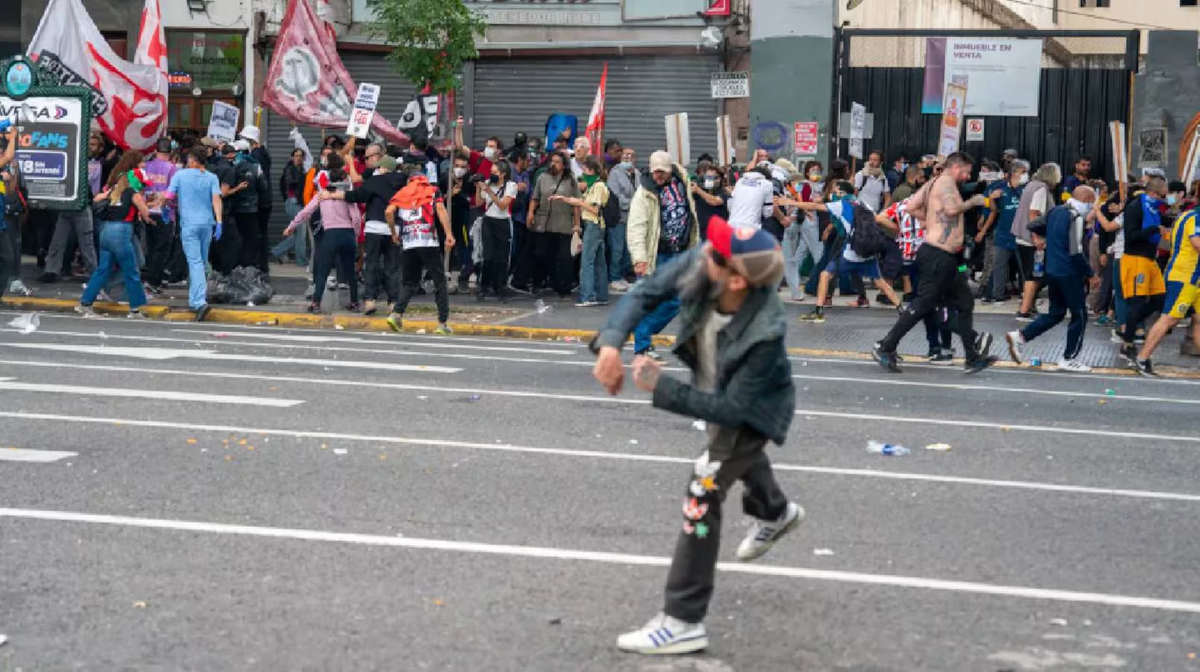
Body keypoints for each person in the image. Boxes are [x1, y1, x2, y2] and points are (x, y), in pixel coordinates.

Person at [591, 216, 802, 656]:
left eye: (716, 253)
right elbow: (645, 292)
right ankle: (776, 512)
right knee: (737, 460)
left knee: (704, 487)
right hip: (713, 384)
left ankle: (683, 620)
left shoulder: (765, 332)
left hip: (752, 409)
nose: (705, 251)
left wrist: (662, 388)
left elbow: (732, 412)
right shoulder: (704, 263)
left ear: (738, 281)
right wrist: (611, 344)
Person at [872, 152, 998, 374]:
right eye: (967, 172)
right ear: (957, 168)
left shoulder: (932, 184)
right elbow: (950, 210)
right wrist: (975, 201)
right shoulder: (947, 184)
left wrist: (929, 222)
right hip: (938, 256)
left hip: (943, 256)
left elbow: (911, 207)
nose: (968, 177)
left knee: (965, 301)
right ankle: (886, 346)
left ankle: (972, 356)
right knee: (924, 304)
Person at [1004, 187, 1099, 372]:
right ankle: (1068, 357)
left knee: (1056, 313)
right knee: (1079, 315)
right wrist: (1090, 274)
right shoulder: (1075, 217)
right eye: (1092, 202)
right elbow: (1076, 251)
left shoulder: (1056, 211)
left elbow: (1033, 225)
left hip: (1052, 269)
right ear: (1087, 200)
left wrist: (1048, 236)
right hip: (1069, 272)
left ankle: (1021, 336)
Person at [783, 181, 902, 323]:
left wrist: (791, 202)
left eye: (835, 191)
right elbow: (878, 219)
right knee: (880, 282)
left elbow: (814, 206)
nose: (833, 193)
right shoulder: (863, 204)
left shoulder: (840, 205)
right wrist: (898, 229)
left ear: (841, 192)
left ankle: (819, 311)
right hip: (868, 251)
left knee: (825, 275)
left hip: (850, 252)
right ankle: (901, 309)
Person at [627, 150, 701, 360]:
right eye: (655, 172)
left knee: (676, 301)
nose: (658, 176)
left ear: (670, 170)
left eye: (662, 172)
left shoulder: (682, 183)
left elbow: (691, 217)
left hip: (679, 253)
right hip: (656, 254)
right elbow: (636, 227)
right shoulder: (645, 193)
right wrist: (639, 258)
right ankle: (642, 347)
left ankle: (644, 338)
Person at [323, 155, 407, 315]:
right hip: (393, 228)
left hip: (374, 228)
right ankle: (393, 303)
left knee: (372, 265)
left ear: (383, 168)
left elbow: (356, 196)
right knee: (393, 267)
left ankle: (370, 301)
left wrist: (333, 195)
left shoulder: (375, 181)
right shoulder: (403, 182)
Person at [385, 156, 457, 335]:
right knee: (439, 281)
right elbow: (440, 210)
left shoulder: (403, 192)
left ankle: (396, 314)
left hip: (409, 243)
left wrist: (394, 233)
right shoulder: (432, 190)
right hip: (428, 241)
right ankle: (442, 323)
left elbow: (388, 211)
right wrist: (448, 234)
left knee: (409, 282)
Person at [75, 153, 152, 318]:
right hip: (122, 231)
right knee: (131, 271)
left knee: (102, 270)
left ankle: (85, 302)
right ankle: (136, 309)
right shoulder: (133, 192)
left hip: (106, 231)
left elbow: (97, 199)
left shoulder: (114, 190)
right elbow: (145, 211)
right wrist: (149, 215)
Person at [878, 197, 954, 364]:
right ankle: (936, 347)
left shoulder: (903, 205)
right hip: (926, 260)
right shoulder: (931, 205)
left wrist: (899, 230)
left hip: (907, 259)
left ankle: (936, 346)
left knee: (925, 305)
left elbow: (880, 217)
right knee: (926, 305)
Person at [284, 154, 362, 313]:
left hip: (330, 235)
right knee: (349, 271)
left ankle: (316, 303)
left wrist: (291, 226)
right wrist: (354, 235)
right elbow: (356, 218)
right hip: (347, 234)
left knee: (323, 271)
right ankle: (354, 302)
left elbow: (306, 212)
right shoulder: (345, 194)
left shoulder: (321, 195)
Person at [1131, 200, 1200, 375]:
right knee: (1169, 318)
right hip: (1185, 277)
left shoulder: (1186, 215)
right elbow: (1197, 243)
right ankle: (1142, 358)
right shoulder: (1196, 217)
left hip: (1191, 276)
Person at [164, 147, 223, 321]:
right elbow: (216, 200)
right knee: (202, 262)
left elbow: (168, 195)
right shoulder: (212, 178)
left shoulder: (180, 175)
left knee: (195, 262)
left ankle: (199, 302)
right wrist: (219, 222)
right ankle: (194, 298)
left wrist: (165, 209)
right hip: (207, 224)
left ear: (193, 160)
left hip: (189, 224)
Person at [1118, 176, 1171, 363]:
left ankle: (1127, 325)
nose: (1162, 200)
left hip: (1150, 259)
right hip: (1135, 259)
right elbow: (1131, 236)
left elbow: (1169, 218)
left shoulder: (1154, 209)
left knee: (1160, 300)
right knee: (1137, 302)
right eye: (1161, 196)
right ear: (1151, 193)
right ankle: (1127, 343)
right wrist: (1155, 230)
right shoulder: (1135, 208)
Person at [42, 132, 107, 282]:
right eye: (89, 144)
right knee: (58, 241)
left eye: (93, 144)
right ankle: (51, 270)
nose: (90, 147)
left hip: (84, 205)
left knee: (87, 243)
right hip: (70, 204)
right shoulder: (75, 160)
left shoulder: (98, 164)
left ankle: (94, 273)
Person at [552, 156, 610, 307]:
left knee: (587, 262)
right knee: (599, 262)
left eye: (584, 169)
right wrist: (562, 198)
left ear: (591, 170)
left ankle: (587, 296)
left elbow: (594, 209)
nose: (582, 173)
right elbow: (577, 200)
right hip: (593, 226)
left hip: (594, 225)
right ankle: (601, 295)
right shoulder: (592, 186)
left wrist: (579, 202)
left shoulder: (599, 187)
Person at [528, 151, 581, 299]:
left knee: (565, 258)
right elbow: (535, 198)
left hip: (564, 224)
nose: (553, 164)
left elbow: (577, 203)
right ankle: (541, 283)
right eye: (552, 161)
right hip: (544, 223)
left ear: (564, 165)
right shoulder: (542, 178)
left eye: (557, 162)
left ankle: (563, 287)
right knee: (542, 254)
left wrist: (577, 224)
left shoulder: (571, 180)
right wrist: (530, 213)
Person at [1012, 163, 1061, 321]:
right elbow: (1034, 213)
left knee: (1031, 273)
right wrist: (1037, 238)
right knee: (1035, 275)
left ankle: (1027, 304)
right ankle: (1025, 309)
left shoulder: (1030, 185)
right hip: (1032, 240)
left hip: (1021, 236)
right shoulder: (1041, 189)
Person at [984, 160, 1028, 303]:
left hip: (1021, 234)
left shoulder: (1026, 189)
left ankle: (1026, 293)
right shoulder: (1001, 189)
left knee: (1024, 267)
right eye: (1023, 172)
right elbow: (993, 210)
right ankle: (997, 293)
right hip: (1003, 234)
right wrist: (991, 199)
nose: (1025, 175)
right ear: (1014, 173)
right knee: (999, 266)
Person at [140, 137, 179, 294]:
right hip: (164, 212)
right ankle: (153, 280)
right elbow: (173, 193)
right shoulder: (172, 169)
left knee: (151, 246)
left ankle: (151, 276)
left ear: (156, 152)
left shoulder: (146, 167)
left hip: (147, 211)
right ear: (170, 153)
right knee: (162, 248)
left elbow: (140, 189)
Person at [476, 159, 518, 301]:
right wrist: (478, 187)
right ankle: (484, 286)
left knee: (502, 257)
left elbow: (502, 205)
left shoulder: (511, 186)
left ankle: (501, 286)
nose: (492, 175)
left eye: (495, 172)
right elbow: (478, 203)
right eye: (491, 172)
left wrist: (489, 191)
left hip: (503, 222)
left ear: (503, 174)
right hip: (488, 220)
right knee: (488, 255)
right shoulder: (488, 183)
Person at [228, 139, 266, 272]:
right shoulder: (257, 167)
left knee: (236, 238)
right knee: (251, 238)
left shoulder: (232, 167)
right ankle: (248, 265)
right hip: (251, 209)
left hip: (234, 208)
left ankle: (236, 265)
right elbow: (263, 187)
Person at [606, 148, 640, 291]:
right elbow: (615, 196)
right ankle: (614, 277)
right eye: (625, 155)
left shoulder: (637, 174)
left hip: (633, 219)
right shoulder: (614, 173)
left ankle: (622, 276)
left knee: (628, 250)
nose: (628, 157)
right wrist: (635, 203)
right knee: (617, 249)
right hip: (618, 217)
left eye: (631, 155)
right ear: (620, 157)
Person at [240, 125, 272, 272]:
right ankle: (261, 264)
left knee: (257, 234)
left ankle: (259, 264)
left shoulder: (256, 157)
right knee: (261, 233)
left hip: (260, 201)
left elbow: (258, 180)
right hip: (264, 200)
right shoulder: (262, 154)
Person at [271, 149, 310, 266]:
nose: (298, 158)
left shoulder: (302, 170)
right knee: (301, 233)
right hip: (293, 202)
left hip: (299, 202)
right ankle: (301, 261)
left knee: (298, 233)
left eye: (300, 156)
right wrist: (305, 177)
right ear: (292, 158)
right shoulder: (290, 170)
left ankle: (277, 251)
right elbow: (291, 183)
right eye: (296, 156)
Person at [0, 126, 18, 305]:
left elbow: (10, 192)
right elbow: (9, 156)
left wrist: (12, 174)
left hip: (1, 225)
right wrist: (13, 137)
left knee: (7, 259)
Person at [691, 162, 730, 242]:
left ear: (719, 179)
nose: (708, 180)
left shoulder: (723, 192)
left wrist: (699, 191)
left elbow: (715, 201)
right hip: (702, 233)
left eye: (711, 177)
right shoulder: (701, 190)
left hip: (718, 233)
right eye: (706, 177)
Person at [727, 165, 774, 231]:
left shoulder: (739, 182)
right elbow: (767, 213)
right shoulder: (767, 184)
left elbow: (730, 204)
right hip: (751, 228)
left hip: (731, 225)